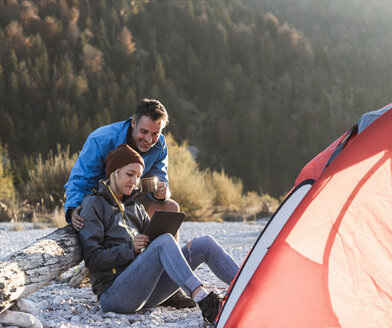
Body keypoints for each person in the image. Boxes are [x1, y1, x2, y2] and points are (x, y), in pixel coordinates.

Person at [78, 144, 240, 325]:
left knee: (204, 244)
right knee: (164, 241)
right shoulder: (93, 205)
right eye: (129, 174)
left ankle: (249, 288)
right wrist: (130, 249)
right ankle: (203, 299)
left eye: (138, 176)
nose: (134, 181)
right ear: (114, 172)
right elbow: (92, 259)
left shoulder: (135, 207)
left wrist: (180, 251)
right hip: (114, 295)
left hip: (146, 292)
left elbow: (155, 244)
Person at [64, 98, 192, 308]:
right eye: (144, 132)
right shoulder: (101, 138)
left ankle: (168, 286)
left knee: (170, 208)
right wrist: (73, 208)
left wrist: (163, 191)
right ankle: (130, 271)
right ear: (133, 122)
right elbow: (80, 178)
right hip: (100, 199)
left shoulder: (159, 143)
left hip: (133, 195)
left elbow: (161, 177)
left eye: (155, 133)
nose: (149, 139)